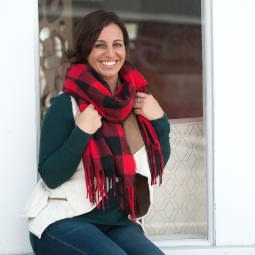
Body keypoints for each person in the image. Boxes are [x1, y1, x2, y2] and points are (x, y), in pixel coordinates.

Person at [22, 10, 170, 255]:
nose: (110, 53)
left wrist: (160, 121)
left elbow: (155, 166)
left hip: (118, 222)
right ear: (85, 50)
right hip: (65, 220)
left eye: (117, 44)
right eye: (99, 45)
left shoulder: (137, 101)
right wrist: (81, 132)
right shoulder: (66, 105)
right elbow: (50, 176)